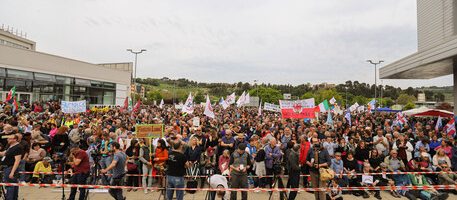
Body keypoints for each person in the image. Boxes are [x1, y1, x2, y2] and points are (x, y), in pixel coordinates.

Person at [0, 134, 23, 200]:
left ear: (15, 139)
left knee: (10, 185)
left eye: (10, 138)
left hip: (11, 168)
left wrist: (12, 172)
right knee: (13, 185)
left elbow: (17, 161)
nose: (8, 139)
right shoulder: (10, 146)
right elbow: (4, 153)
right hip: (6, 167)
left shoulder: (18, 147)